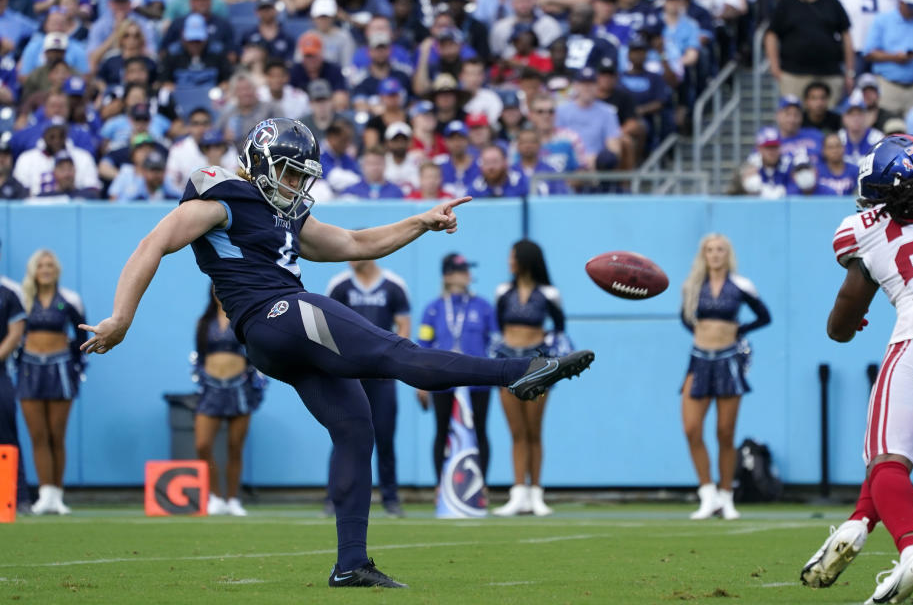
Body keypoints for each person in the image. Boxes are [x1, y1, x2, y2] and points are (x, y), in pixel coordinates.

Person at [79, 117, 594, 587]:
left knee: (355, 427)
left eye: (301, 175)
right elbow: (153, 244)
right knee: (397, 354)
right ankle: (520, 371)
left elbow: (354, 242)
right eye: (287, 171)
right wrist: (121, 317)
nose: (295, 184)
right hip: (277, 313)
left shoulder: (283, 215)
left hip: (271, 340)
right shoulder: (220, 197)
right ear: (259, 161)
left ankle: (351, 564)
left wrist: (420, 221)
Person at [801, 134, 913, 603]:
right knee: (900, 458)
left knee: (887, 459)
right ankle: (856, 523)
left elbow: (842, 321)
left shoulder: (865, 227)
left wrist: (845, 326)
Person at [680, 234, 770, 520]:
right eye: (710, 250)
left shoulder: (741, 285)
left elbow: (764, 316)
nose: (715, 254)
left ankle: (726, 496)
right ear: (703, 254)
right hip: (699, 359)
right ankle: (706, 493)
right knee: (692, 428)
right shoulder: (693, 286)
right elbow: (685, 318)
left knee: (725, 432)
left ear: (727, 254)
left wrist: (738, 331)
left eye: (720, 250)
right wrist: (704, 332)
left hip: (728, 360)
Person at [326, 259, 411, 517]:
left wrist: (398, 362)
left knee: (384, 437)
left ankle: (390, 498)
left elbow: (404, 326)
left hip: (382, 374)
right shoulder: (339, 285)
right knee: (343, 434)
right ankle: (336, 497)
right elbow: (326, 325)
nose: (349, 259)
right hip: (350, 374)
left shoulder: (394, 286)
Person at [492, 239, 570, 517]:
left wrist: (553, 358)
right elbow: (499, 325)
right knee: (516, 431)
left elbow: (560, 328)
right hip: (508, 362)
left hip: (536, 365)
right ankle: (517, 493)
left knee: (534, 430)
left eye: (513, 256)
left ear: (525, 259)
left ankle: (536, 493)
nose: (509, 261)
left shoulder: (548, 294)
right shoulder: (503, 292)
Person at [416, 253, 497, 497]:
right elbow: (423, 345)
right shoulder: (433, 309)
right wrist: (420, 381)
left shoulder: (483, 307)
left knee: (480, 430)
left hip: (478, 381)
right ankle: (440, 485)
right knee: (441, 430)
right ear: (447, 276)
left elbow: (494, 343)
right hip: (443, 378)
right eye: (462, 270)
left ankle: (480, 485)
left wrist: (496, 374)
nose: (468, 275)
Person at [17, 249, 86, 515]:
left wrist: (75, 367)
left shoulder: (70, 299)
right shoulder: (23, 299)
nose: (45, 269)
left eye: (50, 265)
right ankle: (44, 493)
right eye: (40, 265)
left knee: (57, 434)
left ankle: (57, 495)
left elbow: (82, 335)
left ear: (56, 270)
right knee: (38, 434)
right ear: (33, 271)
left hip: (60, 369)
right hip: (29, 370)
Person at [193, 286, 266, 517]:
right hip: (211, 387)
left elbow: (256, 353)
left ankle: (233, 499)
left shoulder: (242, 318)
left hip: (240, 387)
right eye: (216, 287)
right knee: (202, 444)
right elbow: (199, 356)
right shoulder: (203, 323)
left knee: (235, 447)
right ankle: (215, 496)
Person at [765, 0, 854, 105]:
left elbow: (846, 36)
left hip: (829, 74)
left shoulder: (832, 3)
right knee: (793, 118)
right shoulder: (786, 4)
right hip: (794, 75)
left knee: (828, 122)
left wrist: (849, 72)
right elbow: (771, 35)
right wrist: (775, 67)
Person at [0, 241, 28, 511]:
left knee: (7, 435)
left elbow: (15, 333)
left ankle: (18, 498)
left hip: (1, 376)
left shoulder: (8, 292)